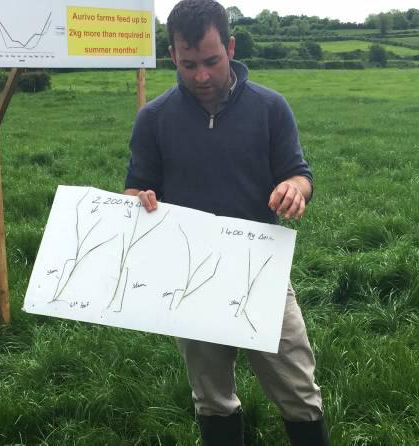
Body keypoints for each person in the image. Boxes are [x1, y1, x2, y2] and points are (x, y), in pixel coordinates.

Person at [124, 1, 328, 444]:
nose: (201, 76)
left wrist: (295, 188)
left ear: (231, 48)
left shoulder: (270, 107)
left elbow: (300, 173)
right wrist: (138, 200)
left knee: (298, 390)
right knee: (211, 397)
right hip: (189, 275)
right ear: (172, 55)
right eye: (189, 64)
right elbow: (135, 188)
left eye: (212, 61)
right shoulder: (153, 119)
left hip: (260, 269)